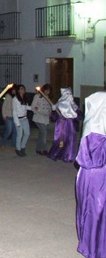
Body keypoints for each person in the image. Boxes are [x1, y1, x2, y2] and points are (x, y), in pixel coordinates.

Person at [75, 91, 106, 258]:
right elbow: (95, 158)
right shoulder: (94, 131)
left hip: (96, 175)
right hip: (95, 176)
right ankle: (93, 246)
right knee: (95, 210)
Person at [48, 87, 83, 163]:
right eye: (67, 94)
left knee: (70, 139)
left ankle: (68, 156)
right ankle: (55, 154)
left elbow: (80, 116)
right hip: (61, 124)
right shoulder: (59, 104)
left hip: (70, 124)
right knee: (61, 140)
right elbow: (54, 117)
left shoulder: (73, 105)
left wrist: (76, 115)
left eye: (70, 94)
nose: (69, 96)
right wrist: (54, 110)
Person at [31, 84, 53, 155]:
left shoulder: (48, 98)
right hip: (38, 118)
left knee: (41, 134)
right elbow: (33, 107)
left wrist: (50, 113)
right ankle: (44, 149)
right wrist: (38, 110)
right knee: (44, 133)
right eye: (46, 90)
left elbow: (49, 107)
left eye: (49, 90)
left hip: (45, 118)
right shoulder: (37, 96)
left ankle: (38, 149)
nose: (47, 92)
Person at [13, 84, 32, 157]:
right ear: (18, 90)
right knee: (19, 135)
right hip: (18, 119)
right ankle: (18, 149)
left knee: (27, 133)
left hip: (24, 118)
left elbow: (25, 107)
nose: (23, 90)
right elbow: (14, 111)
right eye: (21, 89)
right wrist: (17, 123)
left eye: (23, 88)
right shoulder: (14, 99)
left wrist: (32, 108)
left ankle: (22, 147)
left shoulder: (24, 98)